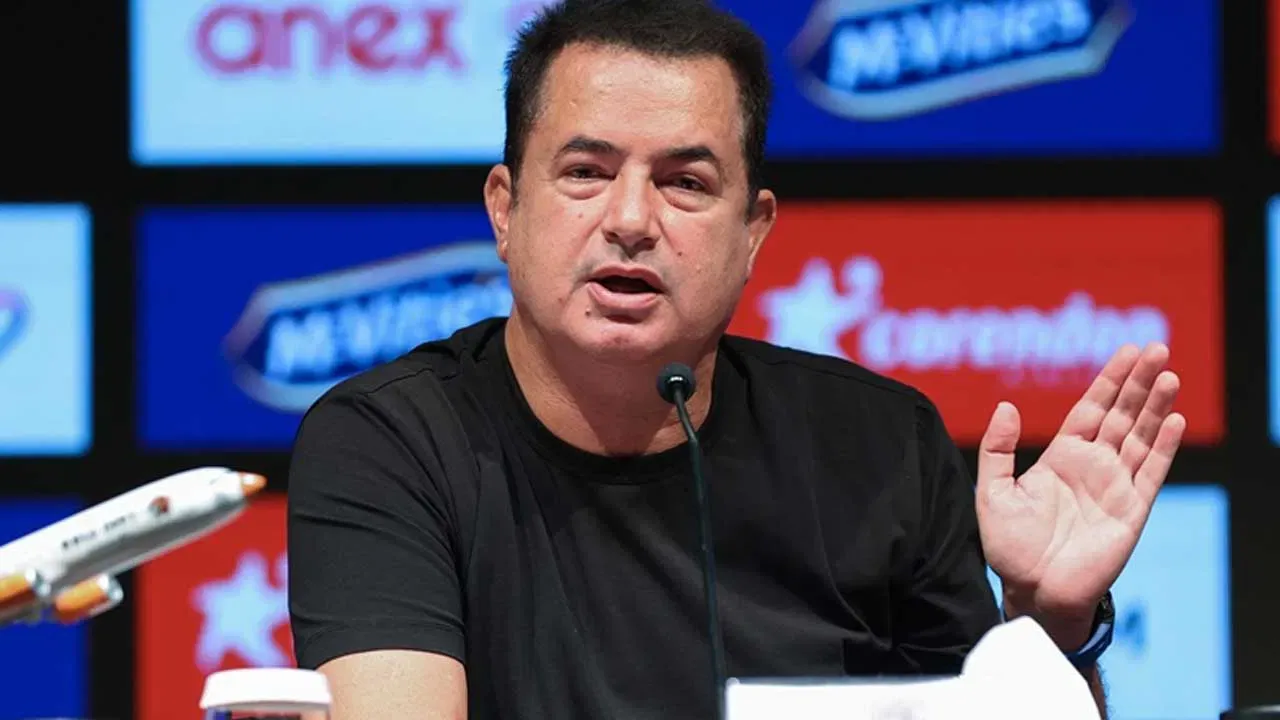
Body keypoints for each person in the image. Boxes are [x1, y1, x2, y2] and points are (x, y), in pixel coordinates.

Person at [285, 0, 1186, 718]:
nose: (630, 221)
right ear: (505, 210)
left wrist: (1050, 626)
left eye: (685, 183)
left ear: (753, 232)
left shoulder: (881, 448)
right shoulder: (389, 445)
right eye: (586, 172)